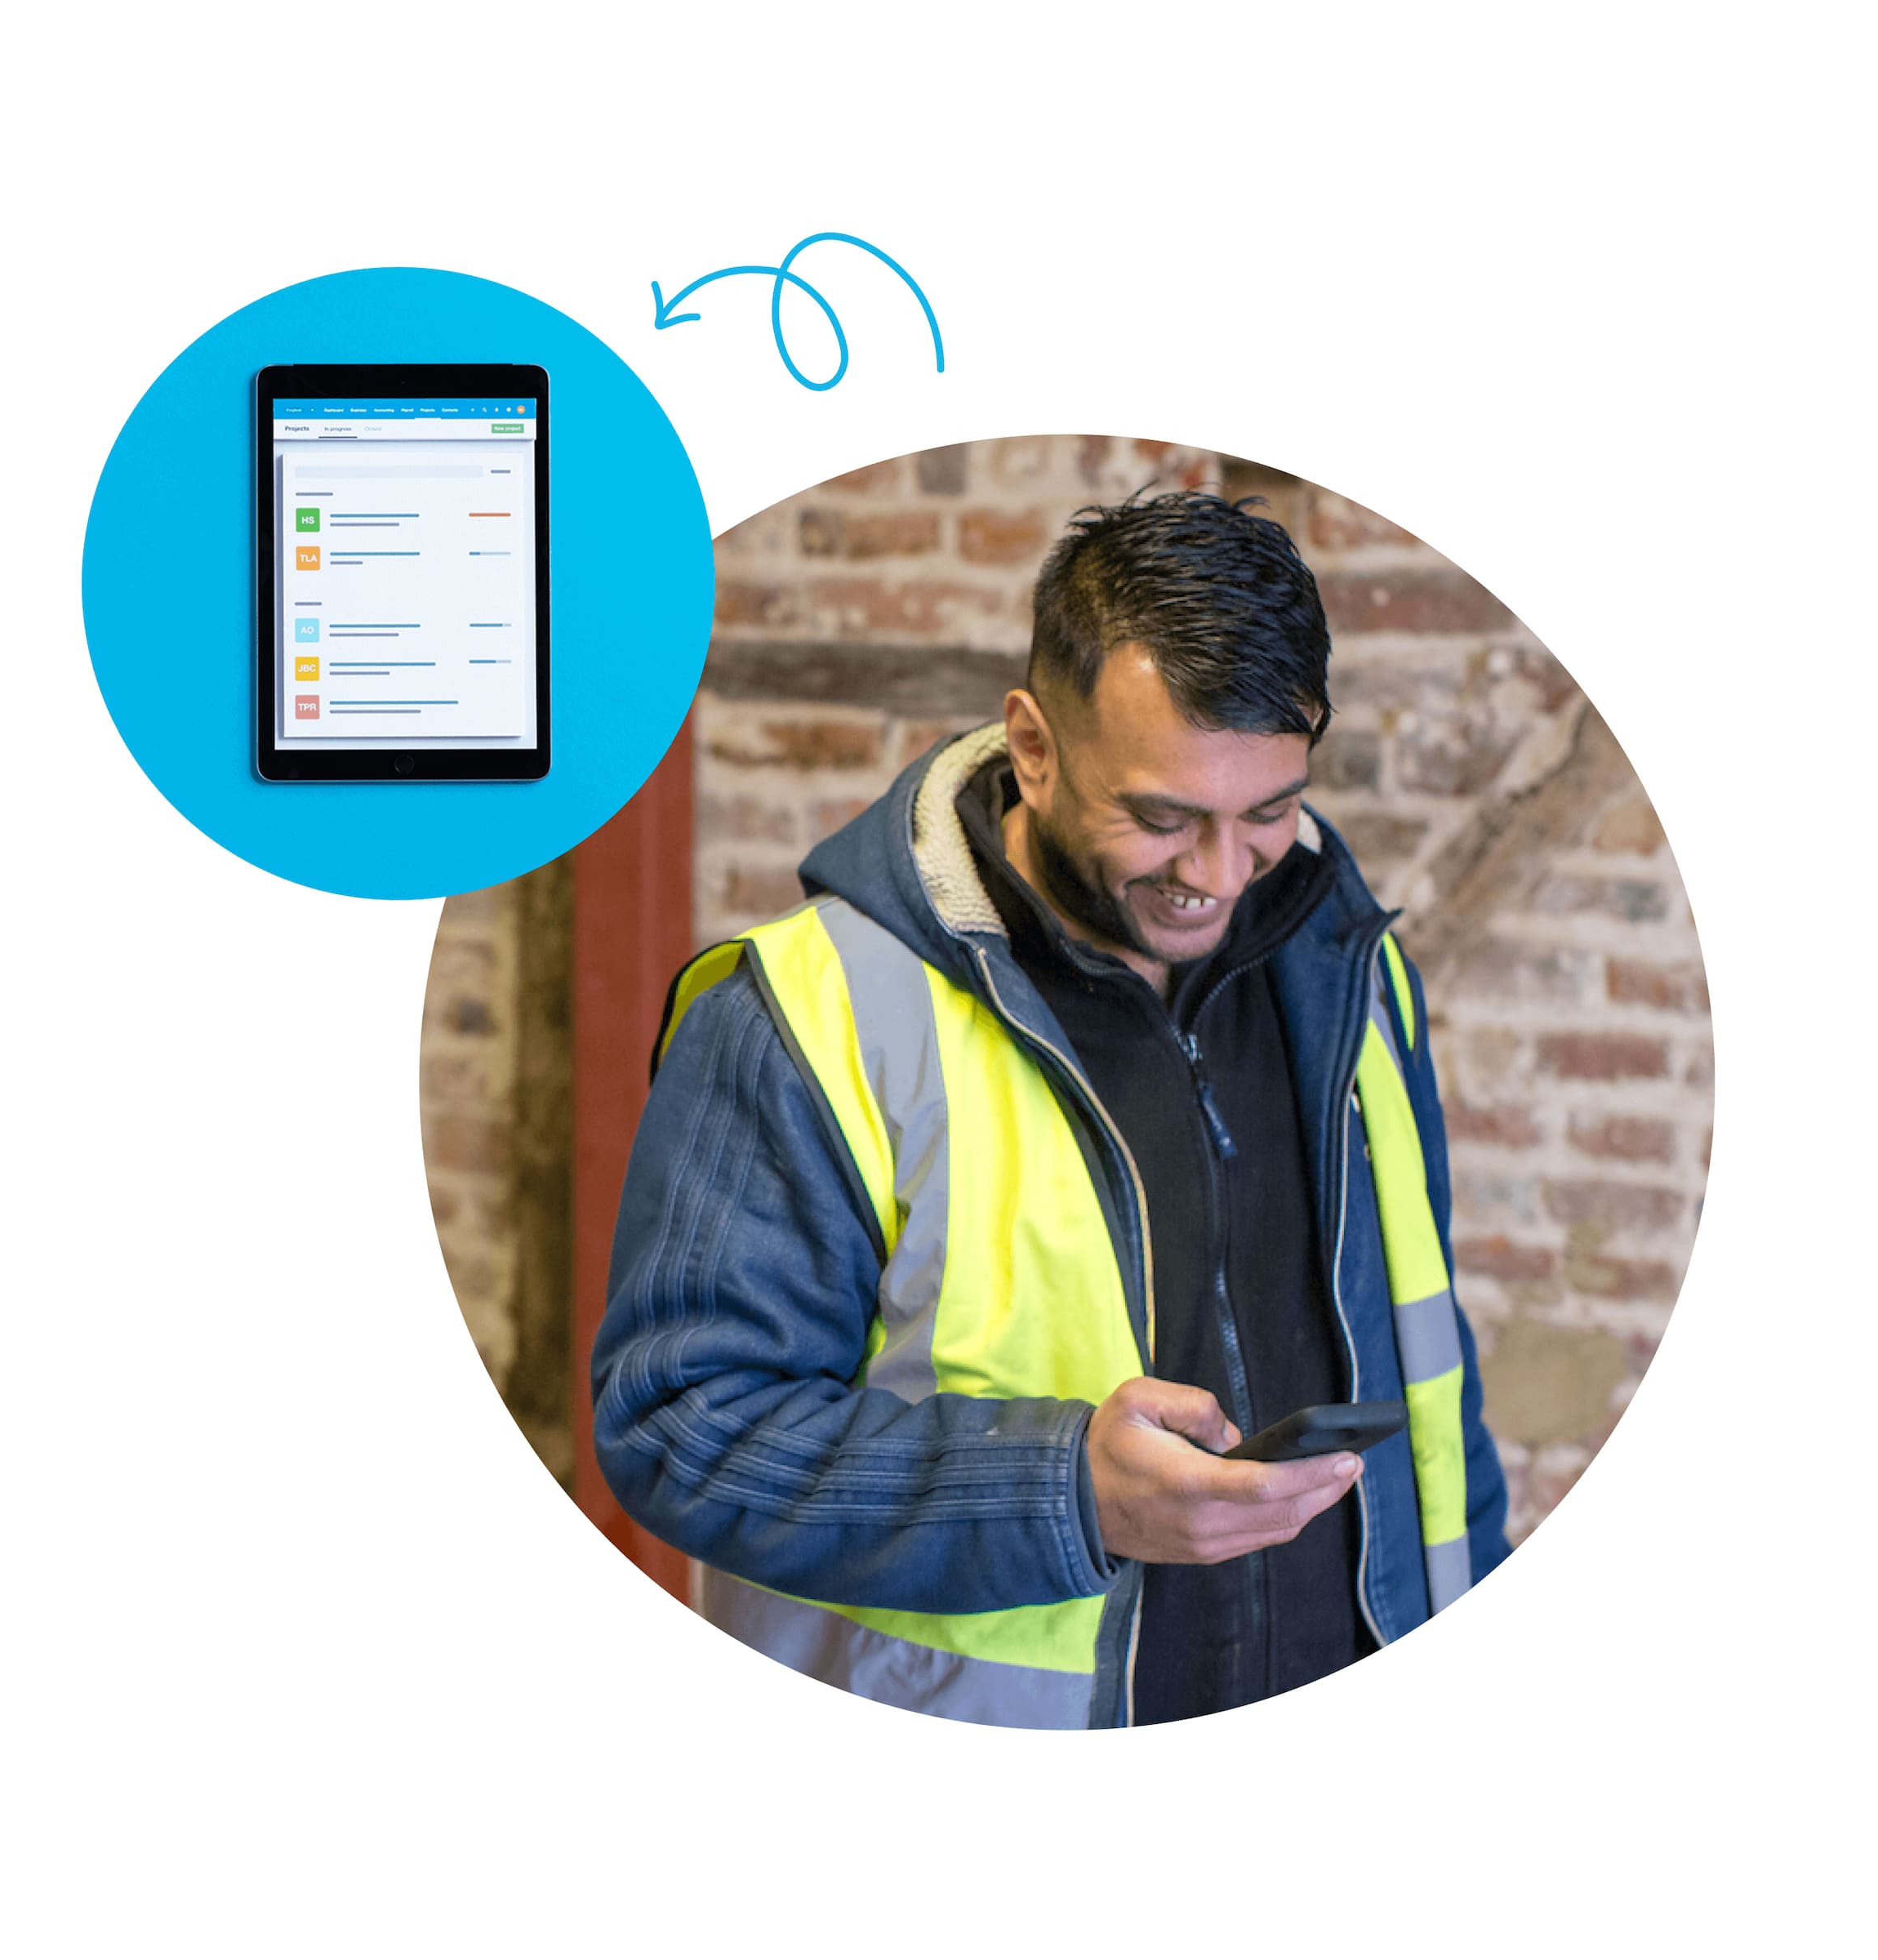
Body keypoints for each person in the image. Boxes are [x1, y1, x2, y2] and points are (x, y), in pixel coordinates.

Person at [592, 489, 1510, 1729]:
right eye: (1161, 816)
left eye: (1269, 813)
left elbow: (1431, 1385)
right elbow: (681, 1429)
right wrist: (1064, 1494)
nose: (1219, 876)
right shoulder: (804, 1014)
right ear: (1032, 744)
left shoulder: (1352, 968)